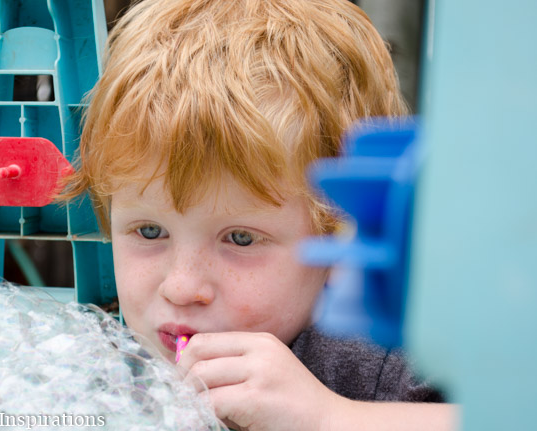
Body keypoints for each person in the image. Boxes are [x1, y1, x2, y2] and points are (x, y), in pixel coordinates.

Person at [64, 0, 458, 429]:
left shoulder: (392, 355)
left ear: (343, 236)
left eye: (241, 239)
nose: (180, 287)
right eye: (149, 230)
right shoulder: (106, 359)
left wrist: (330, 417)